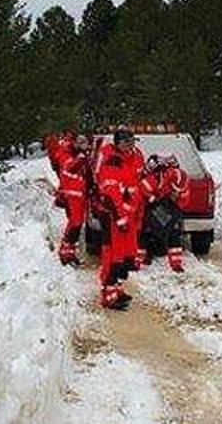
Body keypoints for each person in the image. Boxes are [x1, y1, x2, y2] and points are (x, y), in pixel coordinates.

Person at [94, 127, 145, 309]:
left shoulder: (132, 157)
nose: (130, 145)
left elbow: (135, 184)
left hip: (127, 215)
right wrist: (120, 218)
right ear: (117, 143)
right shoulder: (113, 161)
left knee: (124, 256)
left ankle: (116, 289)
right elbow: (111, 194)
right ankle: (108, 295)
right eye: (126, 142)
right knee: (113, 255)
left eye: (132, 142)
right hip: (114, 216)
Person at [139, 153, 189, 273]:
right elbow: (145, 188)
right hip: (162, 207)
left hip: (166, 207)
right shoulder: (163, 176)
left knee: (150, 234)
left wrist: (154, 200)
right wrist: (154, 199)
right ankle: (143, 259)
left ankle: (144, 259)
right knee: (169, 235)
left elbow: (145, 187)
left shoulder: (173, 176)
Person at [56, 135, 91, 266]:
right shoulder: (64, 153)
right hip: (70, 194)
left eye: (85, 142)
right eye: (80, 142)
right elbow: (70, 167)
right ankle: (65, 249)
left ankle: (70, 248)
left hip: (80, 194)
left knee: (77, 222)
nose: (83, 145)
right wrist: (82, 156)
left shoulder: (80, 154)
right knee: (75, 222)